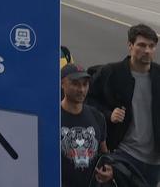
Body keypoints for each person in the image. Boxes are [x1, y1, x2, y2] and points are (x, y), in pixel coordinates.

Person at [88, 24, 160, 185]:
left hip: (154, 161)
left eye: (151, 46)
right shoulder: (111, 73)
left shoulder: (158, 75)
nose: (147, 50)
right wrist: (108, 114)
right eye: (142, 45)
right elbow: (88, 100)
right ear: (130, 45)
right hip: (122, 154)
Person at [61, 64, 113, 187]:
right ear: (62, 83)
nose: (81, 90)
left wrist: (108, 168)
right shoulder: (52, 117)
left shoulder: (97, 117)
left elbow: (103, 152)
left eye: (85, 84)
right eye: (75, 84)